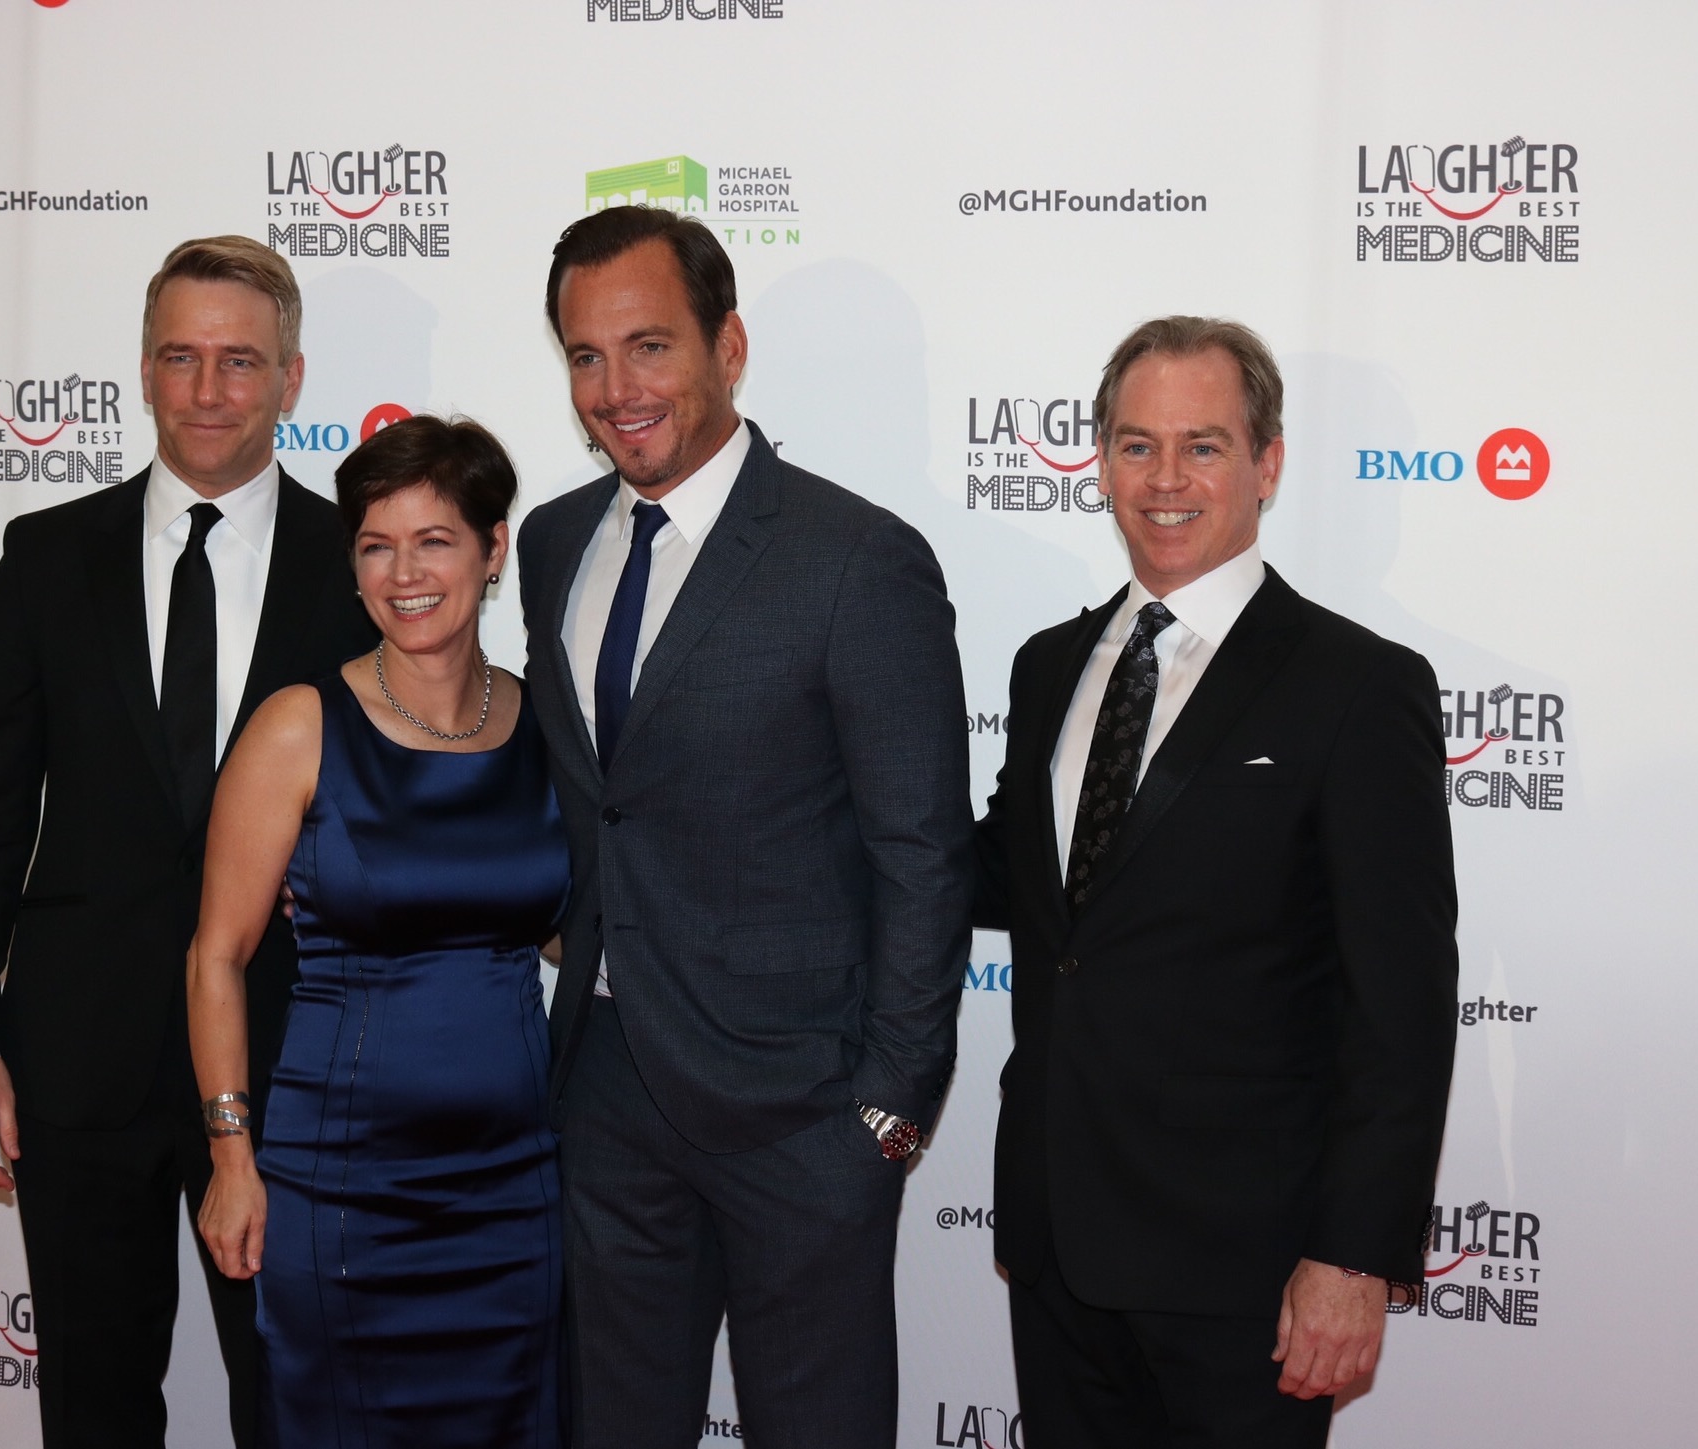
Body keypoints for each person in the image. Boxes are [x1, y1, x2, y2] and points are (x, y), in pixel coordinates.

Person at [517, 204, 972, 1449]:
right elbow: (596, 798)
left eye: (649, 346)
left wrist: (887, 1109)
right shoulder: (553, 542)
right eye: (585, 356)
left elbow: (922, 854)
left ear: (728, 347)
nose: (616, 390)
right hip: (605, 1089)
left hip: (801, 1112)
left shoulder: (855, 557)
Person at [0, 236, 374, 1449]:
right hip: (77, 1057)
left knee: (297, 1404)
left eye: (240, 360)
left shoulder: (361, 564)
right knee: (94, 1407)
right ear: (142, 369)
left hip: (294, 1057)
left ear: (291, 377)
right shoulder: (46, 555)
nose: (208, 389)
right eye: (181, 357)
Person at [975, 316, 1459, 1448]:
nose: (1166, 479)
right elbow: (1009, 881)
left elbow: (1399, 1003)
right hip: (1057, 1244)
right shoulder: (1049, 665)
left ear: (1266, 463)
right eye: (1136, 445)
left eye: (1203, 446)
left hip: (1249, 1268)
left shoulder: (1358, 685)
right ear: (1100, 463)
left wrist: (1351, 1256)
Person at [188, 413, 567, 1447]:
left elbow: (559, 930)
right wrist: (231, 1156)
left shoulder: (545, 724)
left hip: (516, 1185)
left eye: (433, 540)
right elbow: (216, 955)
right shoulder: (299, 725)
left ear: (492, 549)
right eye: (374, 546)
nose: (403, 574)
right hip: (342, 1185)